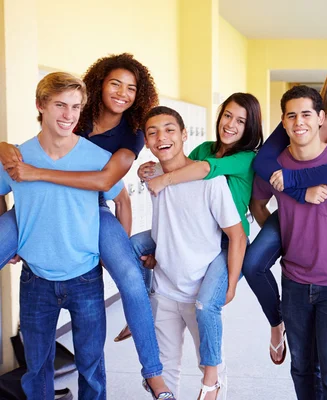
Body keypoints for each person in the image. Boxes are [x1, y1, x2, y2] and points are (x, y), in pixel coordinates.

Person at [0, 53, 173, 398]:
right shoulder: (65, 120)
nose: (122, 93)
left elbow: (109, 184)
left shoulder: (128, 137)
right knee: (38, 369)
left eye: (131, 88)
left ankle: (154, 374)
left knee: (129, 277)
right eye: (115, 84)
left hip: (93, 214)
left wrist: (118, 247)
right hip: (36, 229)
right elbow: (23, 162)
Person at [246, 57, 327, 371]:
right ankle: (277, 323)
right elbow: (263, 162)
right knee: (253, 263)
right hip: (299, 205)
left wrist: (293, 179)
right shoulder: (305, 113)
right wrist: (298, 192)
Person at [129, 92, 264, 396]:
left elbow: (206, 174)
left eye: (240, 120)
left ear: (183, 134)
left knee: (209, 344)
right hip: (166, 286)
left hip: (217, 255)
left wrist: (229, 284)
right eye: (152, 133)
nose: (230, 124)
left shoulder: (228, 167)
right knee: (129, 249)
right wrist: (149, 171)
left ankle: (211, 384)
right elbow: (184, 173)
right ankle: (136, 307)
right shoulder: (200, 153)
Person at [0, 72, 124, 399]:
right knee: (37, 367)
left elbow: (121, 200)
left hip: (85, 278)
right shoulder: (17, 157)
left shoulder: (96, 158)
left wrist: (116, 251)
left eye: (76, 107)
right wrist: (10, 236)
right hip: (35, 279)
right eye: (60, 105)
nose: (69, 115)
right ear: (41, 105)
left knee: (92, 367)